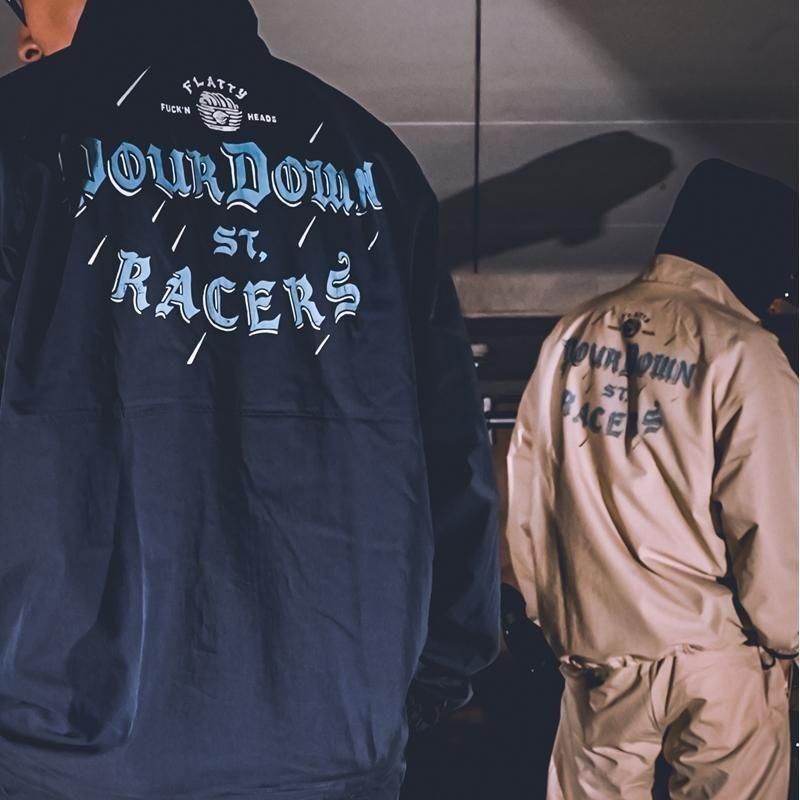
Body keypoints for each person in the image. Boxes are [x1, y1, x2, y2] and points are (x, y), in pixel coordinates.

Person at [0, 1, 500, 797]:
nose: (26, 37)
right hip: (335, 744)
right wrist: (410, 689)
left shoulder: (22, 131)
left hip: (59, 751)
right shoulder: (370, 160)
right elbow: (453, 458)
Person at [505, 159, 798, 800]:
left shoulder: (571, 335)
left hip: (600, 658)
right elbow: (771, 520)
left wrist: (559, 624)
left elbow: (529, 499)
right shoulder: (745, 350)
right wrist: (785, 640)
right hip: (716, 657)